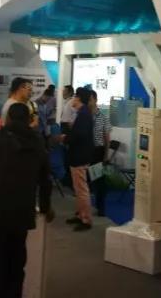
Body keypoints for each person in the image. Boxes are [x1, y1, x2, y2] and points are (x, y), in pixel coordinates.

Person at [0, 102, 53, 298]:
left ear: (8, 119)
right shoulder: (37, 143)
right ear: (29, 120)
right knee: (16, 266)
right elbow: (45, 179)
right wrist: (45, 207)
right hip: (21, 213)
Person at [64, 87, 94, 231]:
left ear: (79, 98)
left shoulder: (84, 114)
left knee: (81, 189)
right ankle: (80, 214)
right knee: (78, 188)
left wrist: (66, 138)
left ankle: (86, 219)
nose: (72, 100)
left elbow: (79, 135)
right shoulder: (83, 113)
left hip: (79, 156)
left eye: (75, 96)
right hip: (78, 155)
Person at [89, 90, 112, 217]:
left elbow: (107, 138)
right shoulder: (85, 116)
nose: (89, 102)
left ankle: (100, 207)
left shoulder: (103, 117)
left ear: (95, 100)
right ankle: (85, 207)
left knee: (99, 180)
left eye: (90, 99)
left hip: (98, 151)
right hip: (87, 150)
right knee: (87, 181)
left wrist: (106, 155)